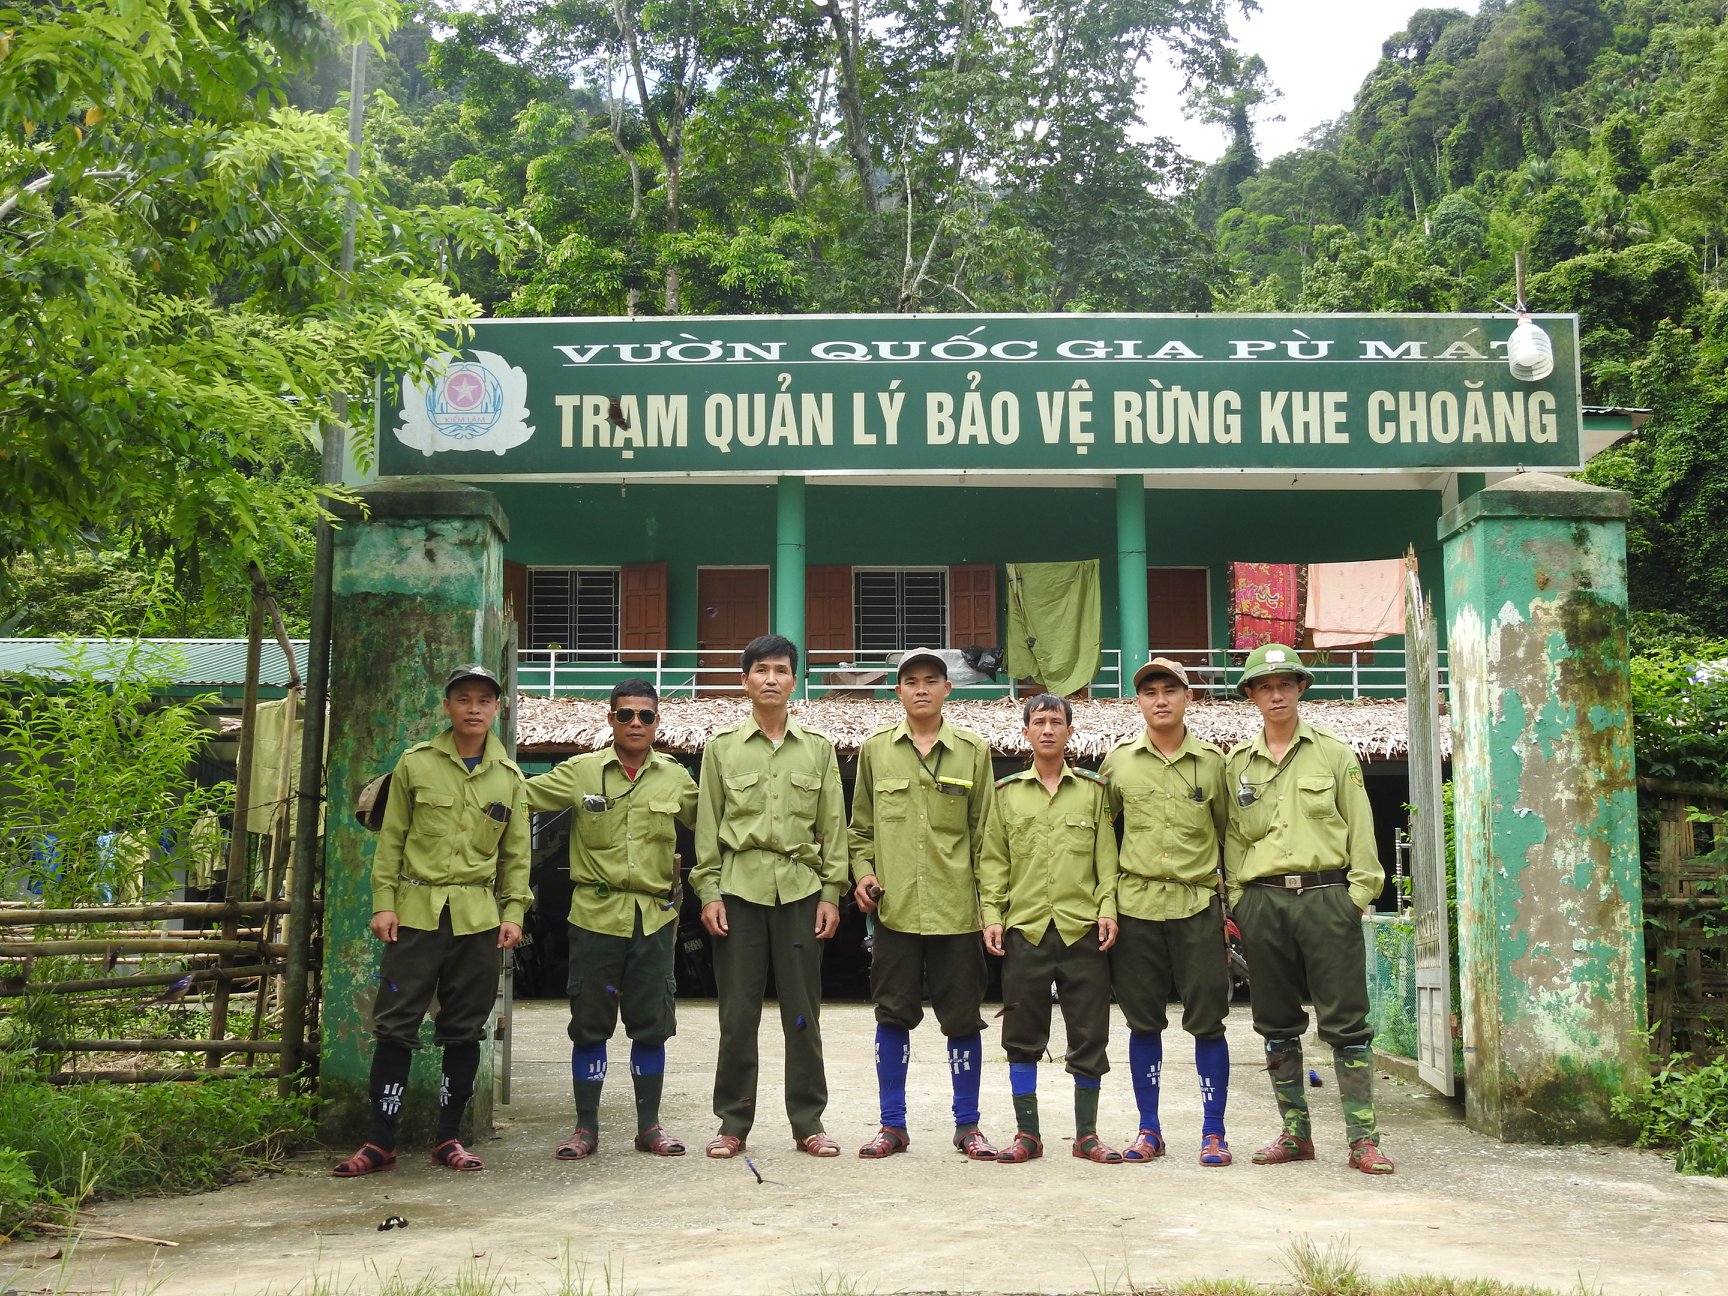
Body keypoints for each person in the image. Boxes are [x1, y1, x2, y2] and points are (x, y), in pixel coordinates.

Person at [333, 664, 530, 1177]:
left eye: (483, 701)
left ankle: (449, 1138)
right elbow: (391, 839)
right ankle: (380, 1142)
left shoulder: (509, 779)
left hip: (478, 920)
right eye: (463, 699)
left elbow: (516, 857)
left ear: (497, 710)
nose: (473, 708)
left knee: (463, 1031)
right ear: (447, 706)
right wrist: (383, 903)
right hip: (416, 915)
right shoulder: (415, 765)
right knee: (395, 1027)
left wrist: (513, 913)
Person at [1224, 643, 1395, 1175]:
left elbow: (1361, 828)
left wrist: (1358, 896)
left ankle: (1362, 1139)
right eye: (1265, 686)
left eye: (1285, 685)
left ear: (1300, 690)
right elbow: (1232, 838)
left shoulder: (1335, 754)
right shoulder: (1237, 766)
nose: (1276, 694)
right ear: (1251, 695)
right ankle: (1295, 1132)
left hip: (1327, 898)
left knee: (1347, 1022)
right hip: (1263, 901)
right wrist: (1239, 901)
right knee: (1275, 1021)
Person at [524, 679, 698, 1160]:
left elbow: (717, 822)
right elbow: (517, 797)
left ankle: (649, 1127)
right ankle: (586, 1128)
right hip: (595, 916)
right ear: (610, 719)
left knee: (651, 1024)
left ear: (658, 722)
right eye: (626, 715)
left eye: (645, 716)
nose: (636, 724)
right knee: (590, 1024)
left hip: (654, 919)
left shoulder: (675, 778)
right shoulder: (580, 773)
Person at [693, 634, 848, 1159]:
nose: (771, 679)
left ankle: (808, 1122)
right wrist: (709, 890)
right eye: (760, 670)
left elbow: (835, 828)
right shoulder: (721, 749)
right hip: (738, 891)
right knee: (738, 1014)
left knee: (803, 1012)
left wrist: (831, 893)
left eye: (781, 670)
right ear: (745, 680)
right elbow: (708, 827)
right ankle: (733, 1123)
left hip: (802, 892)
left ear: (794, 680)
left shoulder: (819, 750)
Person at [849, 648, 998, 1161]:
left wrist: (990, 909)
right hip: (895, 911)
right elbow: (860, 830)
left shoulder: (974, 750)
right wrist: (865, 874)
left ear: (947, 689)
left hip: (957, 912)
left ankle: (968, 1125)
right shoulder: (875, 751)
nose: (920, 688)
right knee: (892, 1016)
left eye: (931, 680)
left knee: (962, 1019)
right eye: (910, 680)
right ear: (898, 691)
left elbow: (987, 837)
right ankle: (892, 1125)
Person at [1099, 657, 1234, 1166]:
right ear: (1138, 701)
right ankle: (1148, 1130)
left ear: (1187, 698)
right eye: (1150, 691)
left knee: (1208, 1022)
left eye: (1170, 690)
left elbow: (1230, 834)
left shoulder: (1214, 765)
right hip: (1135, 907)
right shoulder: (1118, 764)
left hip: (1197, 905)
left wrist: (1231, 897)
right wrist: (1107, 903)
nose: (1160, 699)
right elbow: (1102, 837)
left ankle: (1213, 1131)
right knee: (1142, 1023)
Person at [978, 693, 1121, 1165]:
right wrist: (993, 916)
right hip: (1027, 931)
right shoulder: (1006, 794)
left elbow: (1107, 862)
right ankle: (1028, 1134)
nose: (1046, 730)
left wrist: (1108, 909)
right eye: (1037, 722)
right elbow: (994, 862)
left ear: (1069, 732)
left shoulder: (1094, 792)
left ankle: (1086, 1135)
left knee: (1089, 1033)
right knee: (1021, 1032)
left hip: (1082, 931)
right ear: (1025, 733)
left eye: (1055, 722)